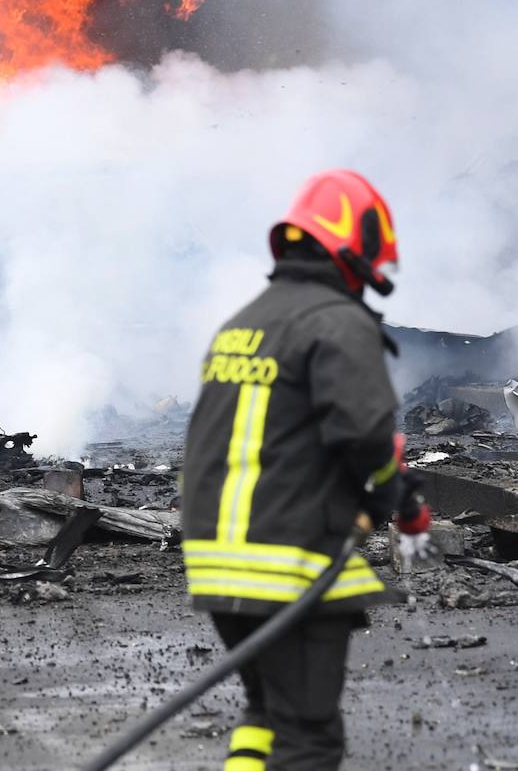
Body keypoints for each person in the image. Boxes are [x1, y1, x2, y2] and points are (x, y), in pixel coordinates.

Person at [181, 169, 433, 770]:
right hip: (283, 563)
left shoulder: (243, 324)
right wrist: (393, 497)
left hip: (216, 564)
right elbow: (366, 437)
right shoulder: (337, 322)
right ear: (355, 246)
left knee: (266, 715)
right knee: (309, 738)